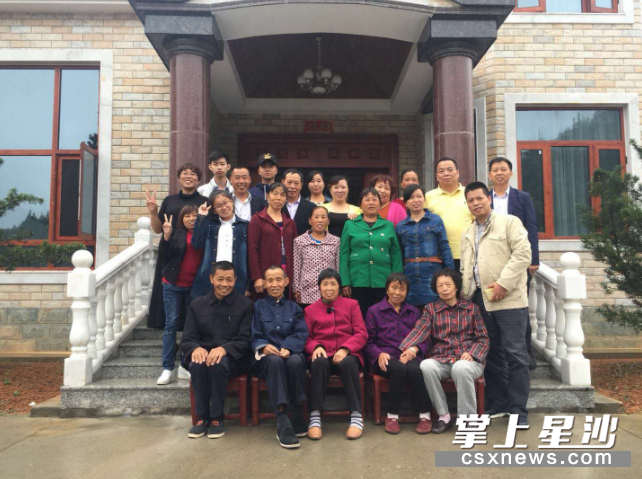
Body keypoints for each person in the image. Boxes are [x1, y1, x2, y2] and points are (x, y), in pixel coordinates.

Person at [461, 181, 532, 426]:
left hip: (509, 300)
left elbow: (523, 254)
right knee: (490, 353)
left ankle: (518, 411)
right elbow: (467, 268)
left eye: (479, 198)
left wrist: (503, 283)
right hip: (481, 300)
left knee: (516, 354)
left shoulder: (509, 222)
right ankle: (499, 403)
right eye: (470, 200)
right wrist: (465, 297)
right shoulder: (468, 232)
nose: (475, 203)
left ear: (489, 198)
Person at [400, 269, 489, 434]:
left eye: (448, 284)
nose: (444, 289)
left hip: (469, 361)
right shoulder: (431, 309)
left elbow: (483, 338)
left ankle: (467, 420)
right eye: (440, 285)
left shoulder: (472, 309)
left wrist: (472, 353)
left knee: (460, 367)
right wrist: (407, 347)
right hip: (442, 359)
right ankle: (443, 416)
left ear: (456, 287)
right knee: (426, 365)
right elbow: (420, 330)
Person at [180, 261, 253, 439]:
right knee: (197, 365)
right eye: (220, 279)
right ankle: (201, 418)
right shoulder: (197, 304)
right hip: (203, 356)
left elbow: (246, 340)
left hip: (233, 358)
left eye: (229, 279)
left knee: (218, 364)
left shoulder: (245, 305)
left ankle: (216, 418)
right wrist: (196, 348)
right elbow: (187, 338)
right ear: (211, 279)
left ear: (235, 280)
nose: (225, 284)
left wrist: (224, 349)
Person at [363, 273, 432, 435]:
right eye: (394, 288)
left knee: (417, 369)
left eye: (402, 289)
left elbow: (425, 339)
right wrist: (378, 354)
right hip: (385, 356)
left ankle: (424, 415)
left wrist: (414, 350)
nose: (397, 292)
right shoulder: (374, 311)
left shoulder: (414, 312)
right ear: (387, 289)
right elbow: (368, 341)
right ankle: (392, 415)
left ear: (407, 292)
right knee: (399, 369)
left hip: (409, 355)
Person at [488, 156, 540, 370]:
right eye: (495, 170)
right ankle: (498, 354)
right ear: (489, 175)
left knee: (520, 308)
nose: (499, 173)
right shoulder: (484, 198)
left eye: (503, 169)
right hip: (492, 259)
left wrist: (533, 259)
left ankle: (525, 353)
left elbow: (532, 227)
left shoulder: (522, 197)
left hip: (518, 260)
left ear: (511, 173)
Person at [145, 163, 207, 341]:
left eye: (193, 173)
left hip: (195, 256)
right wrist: (153, 212)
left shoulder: (204, 202)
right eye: (185, 173)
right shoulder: (169, 201)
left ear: (199, 179)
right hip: (171, 254)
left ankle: (189, 343)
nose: (189, 176)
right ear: (179, 178)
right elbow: (157, 229)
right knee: (170, 310)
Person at [304, 269, 368, 440]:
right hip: (323, 353)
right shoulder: (310, 310)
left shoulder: (352, 305)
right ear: (319, 287)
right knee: (318, 363)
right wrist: (316, 346)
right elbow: (305, 338)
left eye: (333, 284)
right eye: (325, 284)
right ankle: (315, 418)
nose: (329, 288)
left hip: (347, 353)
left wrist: (346, 348)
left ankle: (356, 417)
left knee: (348, 363)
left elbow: (361, 333)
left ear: (339, 287)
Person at [251, 266, 309, 449]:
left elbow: (300, 333)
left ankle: (297, 412)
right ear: (264, 284)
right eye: (270, 280)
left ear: (286, 282)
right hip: (265, 360)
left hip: (289, 354)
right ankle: (282, 419)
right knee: (275, 361)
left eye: (278, 280)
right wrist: (263, 346)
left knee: (296, 361)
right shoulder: (257, 307)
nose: (274, 284)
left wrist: (288, 347)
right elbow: (253, 334)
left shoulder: (294, 308)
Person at [156, 204, 203, 385]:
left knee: (191, 327)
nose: (191, 219)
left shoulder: (203, 234)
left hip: (194, 287)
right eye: (187, 216)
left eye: (195, 215)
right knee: (171, 325)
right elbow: (163, 256)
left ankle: (185, 365)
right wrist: (166, 236)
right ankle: (167, 368)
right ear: (182, 219)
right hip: (173, 285)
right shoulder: (176, 234)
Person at [340, 187, 403, 320]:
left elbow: (395, 254)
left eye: (374, 199)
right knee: (359, 317)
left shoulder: (388, 225)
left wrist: (396, 280)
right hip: (357, 279)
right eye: (367, 199)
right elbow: (344, 254)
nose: (371, 203)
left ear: (380, 204)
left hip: (383, 279)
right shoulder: (350, 225)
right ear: (360, 205)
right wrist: (345, 282)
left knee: (383, 317)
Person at [396, 184, 454, 309]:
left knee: (436, 308)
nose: (416, 200)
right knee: (412, 310)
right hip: (409, 274)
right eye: (411, 197)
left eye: (419, 196)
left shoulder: (436, 220)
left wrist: (451, 273)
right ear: (405, 203)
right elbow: (398, 253)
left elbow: (444, 247)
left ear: (424, 199)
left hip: (432, 272)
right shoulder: (401, 226)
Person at [191, 190, 249, 298]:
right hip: (210, 279)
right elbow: (196, 244)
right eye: (218, 206)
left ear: (232, 201)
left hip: (236, 280)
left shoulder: (244, 226)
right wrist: (201, 217)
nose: (224, 207)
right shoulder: (209, 225)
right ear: (214, 210)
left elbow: (250, 256)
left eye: (226, 202)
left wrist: (248, 285)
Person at [248, 183, 297, 300]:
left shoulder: (290, 222)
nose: (278, 198)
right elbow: (252, 249)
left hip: (286, 274)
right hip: (265, 274)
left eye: (282, 195)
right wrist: (257, 277)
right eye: (275, 193)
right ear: (267, 196)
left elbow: (295, 251)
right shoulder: (257, 219)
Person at [424, 157, 474, 271]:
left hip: (467, 253)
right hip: (439, 255)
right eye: (441, 171)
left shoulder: (469, 193)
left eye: (450, 170)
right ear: (437, 176)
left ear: (457, 173)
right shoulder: (428, 197)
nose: (446, 173)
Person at [293, 206, 340, 307]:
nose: (320, 220)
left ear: (328, 221)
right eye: (316, 217)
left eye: (323, 217)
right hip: (307, 291)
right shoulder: (299, 241)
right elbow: (297, 267)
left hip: (329, 290)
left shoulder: (336, 241)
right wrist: (296, 289)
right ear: (310, 221)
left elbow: (338, 266)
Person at [281, 168, 316, 237]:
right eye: (289, 182)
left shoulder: (311, 207)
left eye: (296, 183)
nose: (292, 186)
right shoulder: (276, 205)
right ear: (282, 182)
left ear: (301, 185)